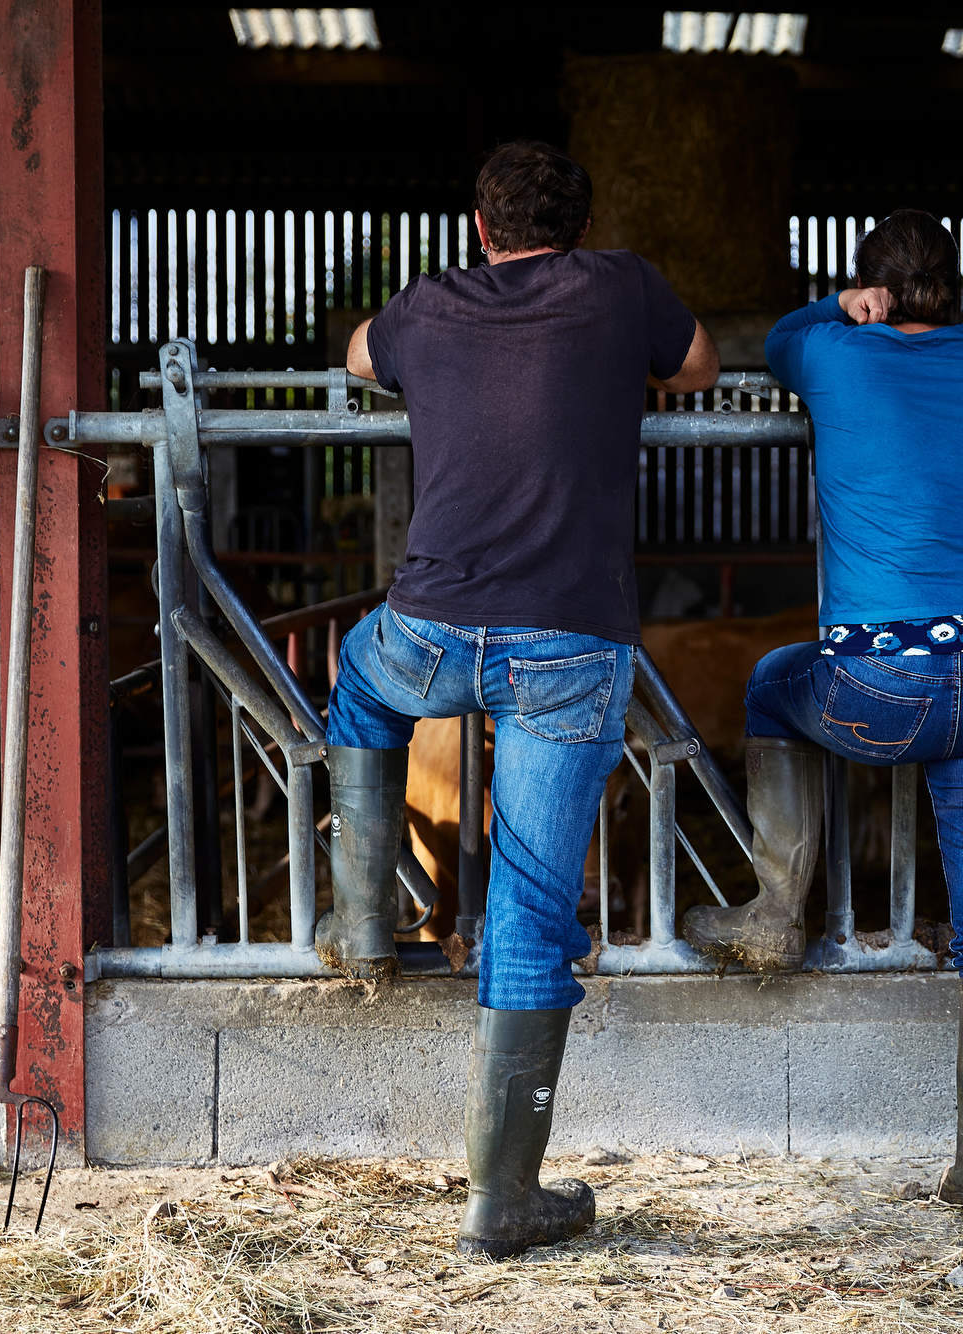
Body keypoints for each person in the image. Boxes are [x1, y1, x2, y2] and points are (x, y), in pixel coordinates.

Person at [323, 140, 719, 1258]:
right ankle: (502, 1198)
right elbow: (698, 367)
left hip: (430, 631)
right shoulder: (620, 286)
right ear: (581, 227)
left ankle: (364, 915)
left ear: (479, 227)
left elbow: (357, 357)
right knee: (532, 908)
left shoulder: (430, 301)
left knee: (359, 688)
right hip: (568, 644)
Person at [682, 209, 963, 1225]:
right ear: (952, 284)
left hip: (879, 688)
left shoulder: (829, 351)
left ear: (869, 285)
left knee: (772, 680)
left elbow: (775, 338)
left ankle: (774, 911)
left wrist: (836, 306)